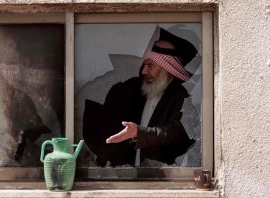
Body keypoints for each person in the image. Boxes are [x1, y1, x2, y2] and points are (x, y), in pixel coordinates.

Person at [83, 27, 196, 166]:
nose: (144, 71)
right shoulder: (142, 91)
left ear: (167, 68)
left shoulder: (182, 95)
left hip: (164, 176)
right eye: (143, 65)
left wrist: (139, 132)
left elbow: (177, 132)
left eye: (150, 66)